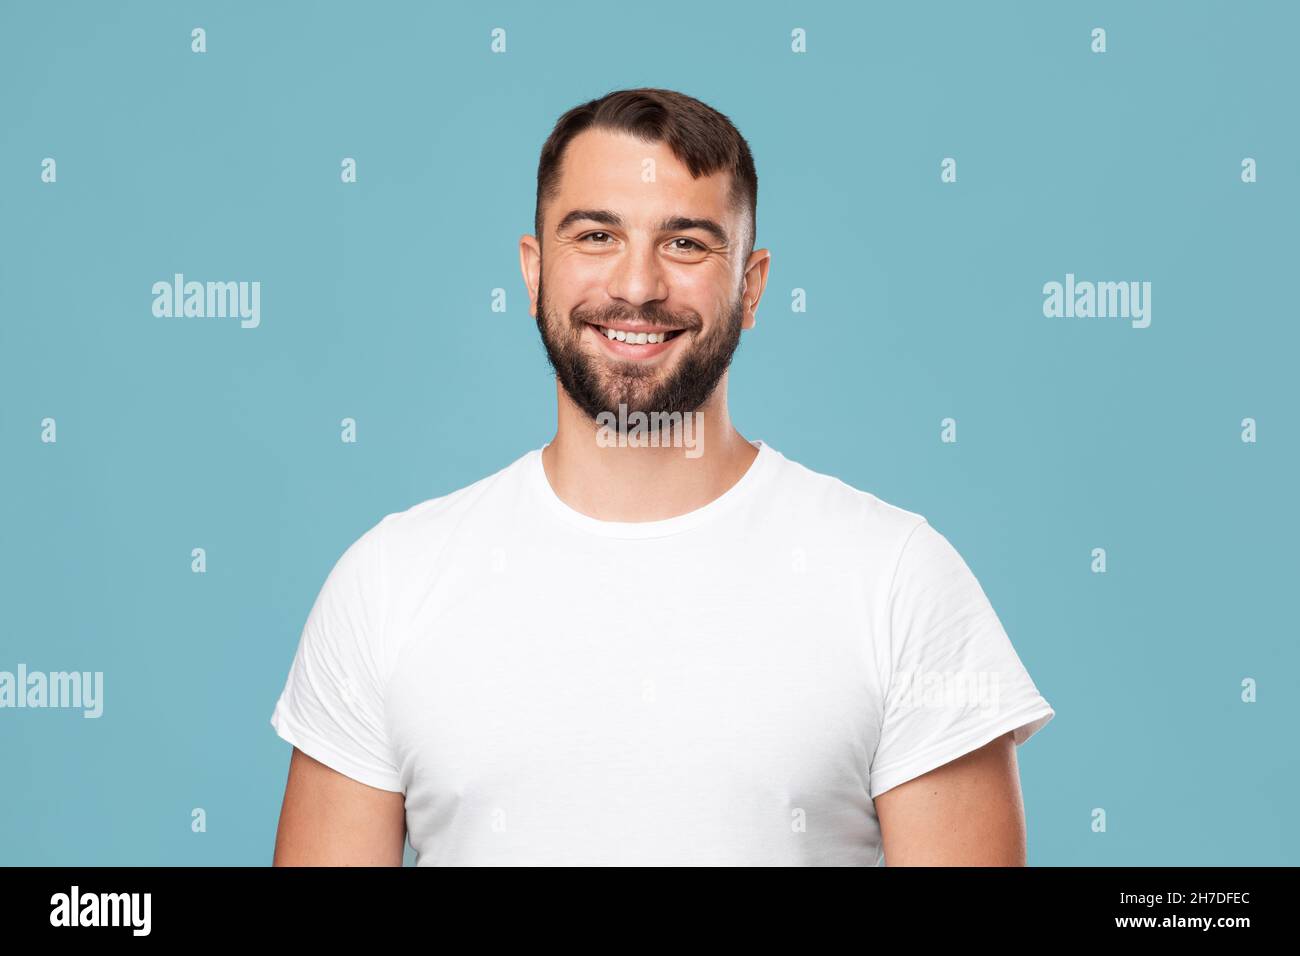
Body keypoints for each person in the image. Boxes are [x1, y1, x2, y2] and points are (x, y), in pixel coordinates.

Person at [270, 87, 1055, 866]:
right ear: (532, 270)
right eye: (596, 236)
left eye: (686, 244)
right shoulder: (387, 584)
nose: (638, 287)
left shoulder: (899, 581)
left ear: (750, 286)